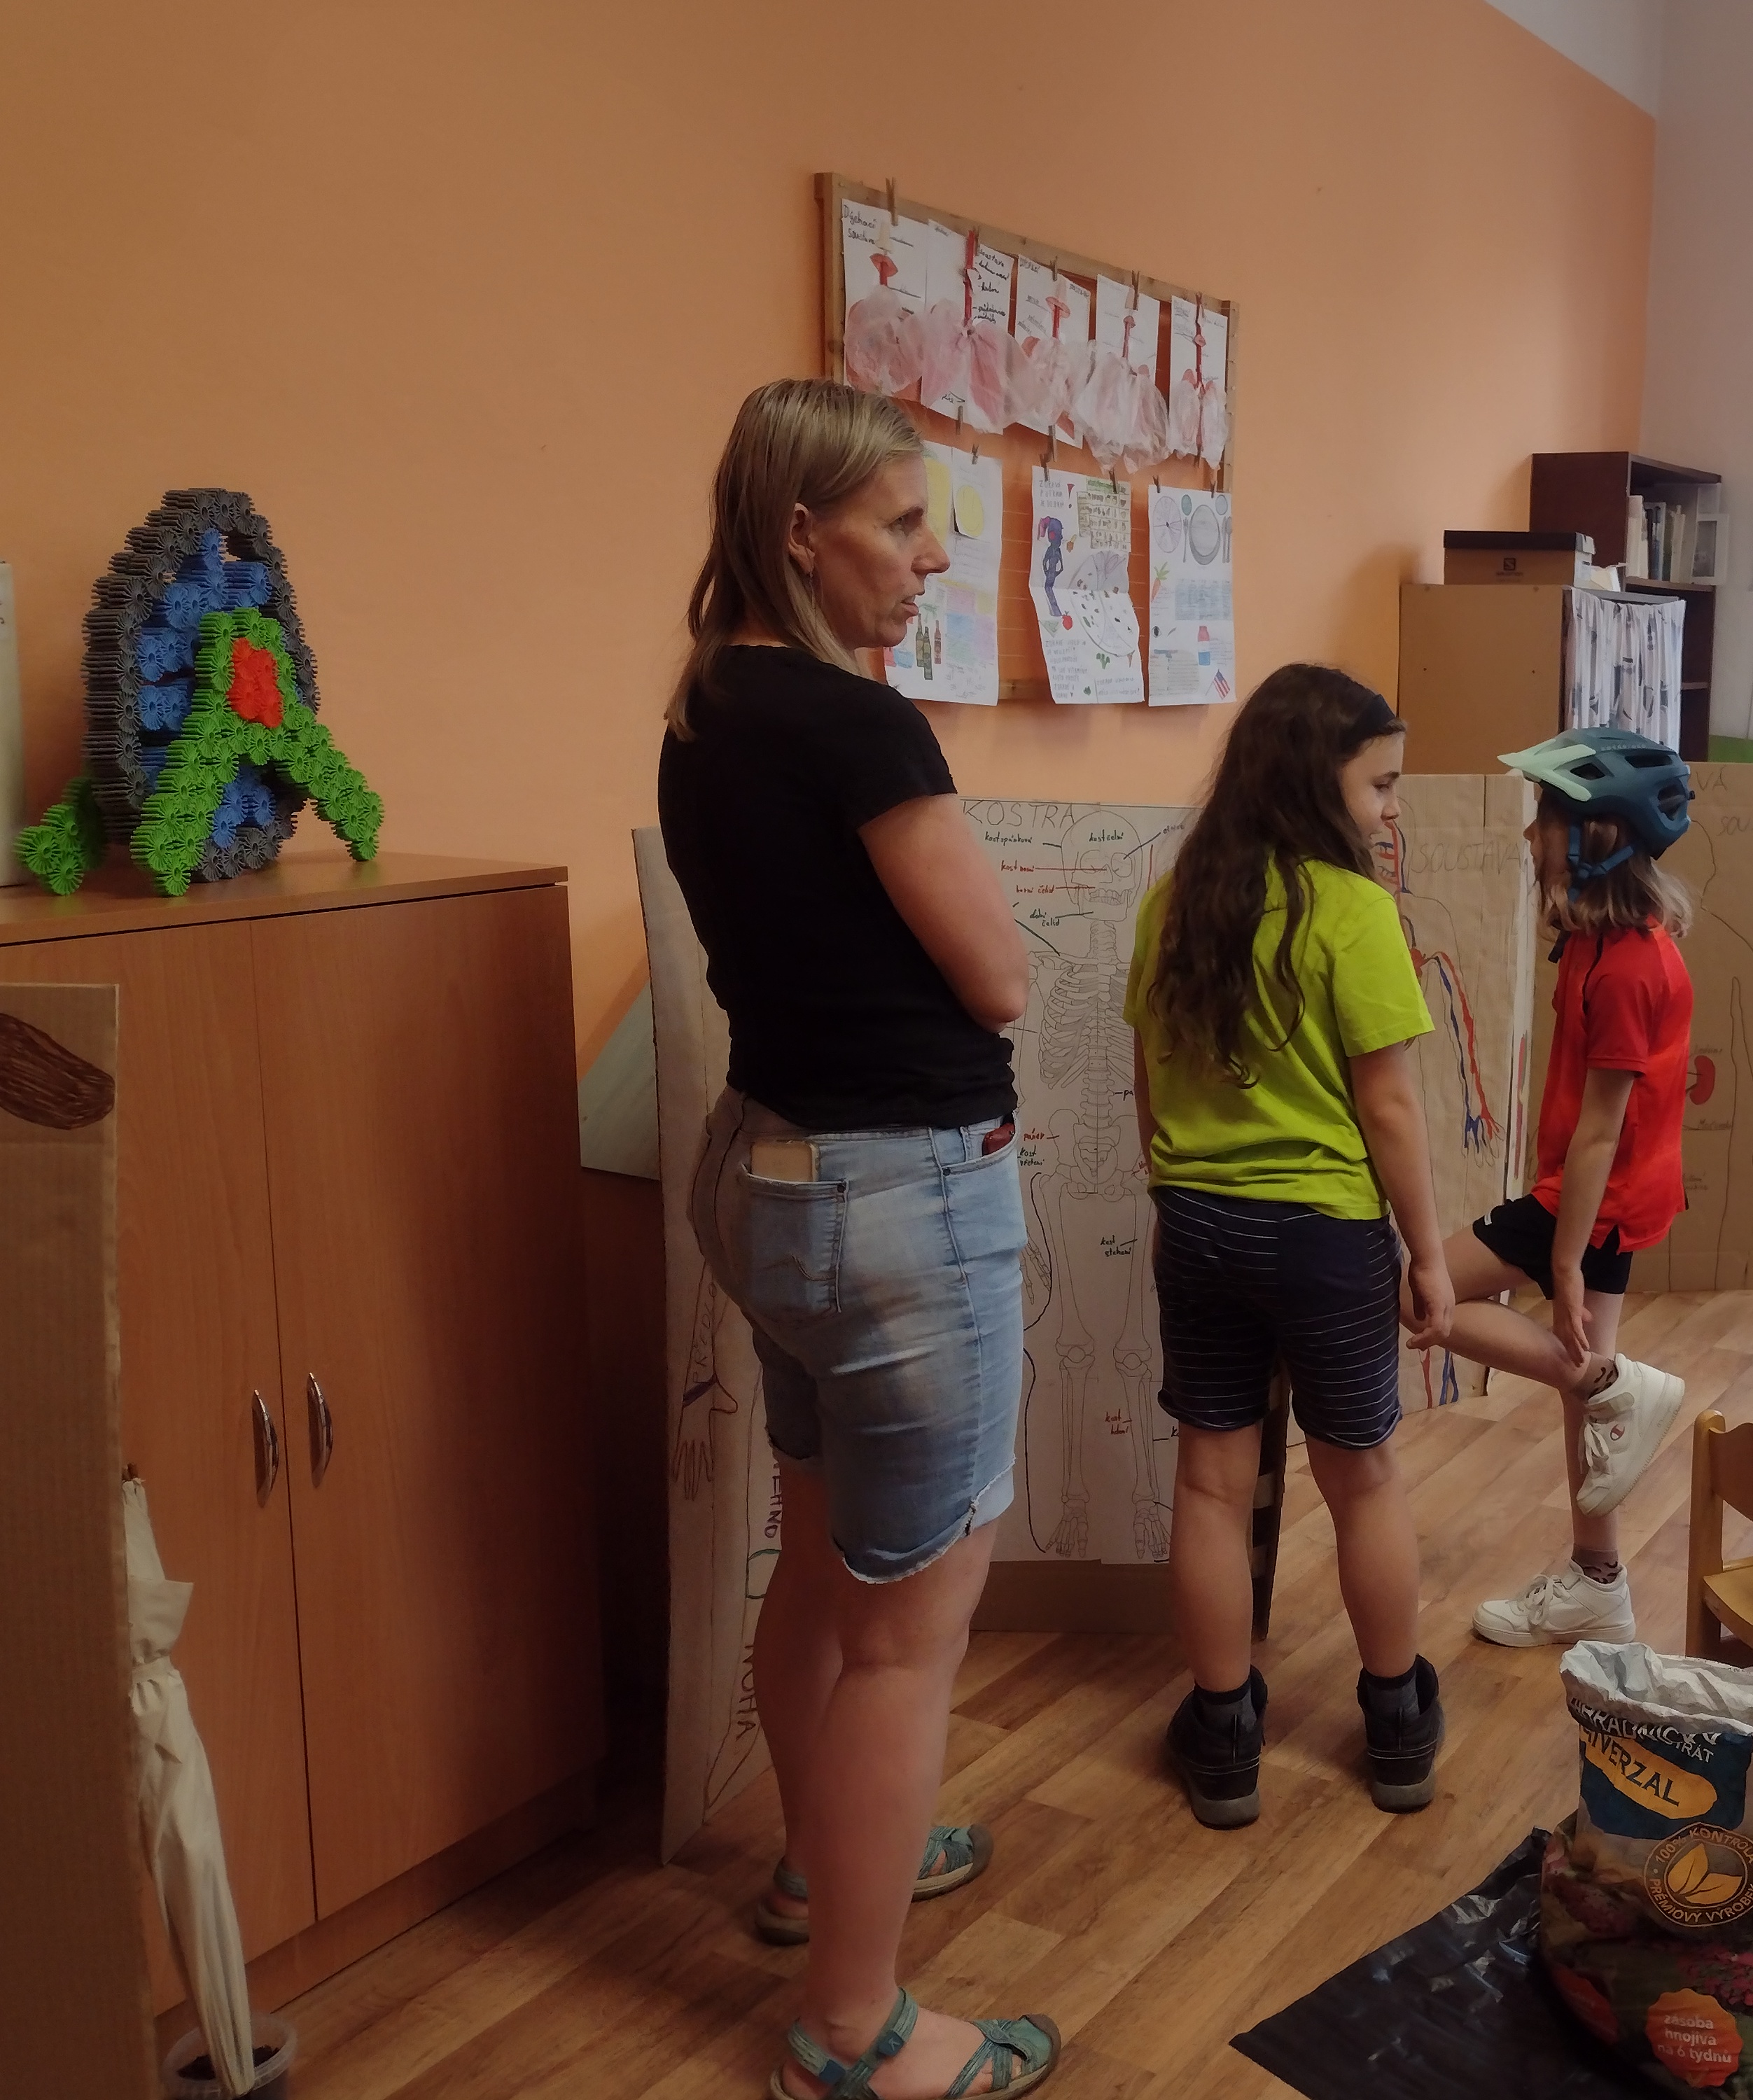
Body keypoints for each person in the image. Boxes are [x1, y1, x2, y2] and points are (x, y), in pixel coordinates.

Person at [659, 378, 1059, 2100]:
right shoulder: (856, 727)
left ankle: (817, 1866)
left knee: (823, 1566)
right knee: (907, 1633)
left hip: (770, 1176)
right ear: (800, 533)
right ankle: (854, 2030)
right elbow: (1000, 975)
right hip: (901, 1203)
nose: (928, 560)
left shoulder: (703, 709)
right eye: (901, 525)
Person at [1125, 664, 1455, 1829]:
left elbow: (1149, 1078)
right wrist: (1427, 1254)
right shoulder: (1351, 913)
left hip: (1199, 1221)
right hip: (1324, 1235)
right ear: (1315, 783)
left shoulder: (1175, 904)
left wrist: (1177, 1191)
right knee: (1360, 1475)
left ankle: (1223, 1735)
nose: (1392, 807)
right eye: (1381, 785)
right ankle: (1397, 1722)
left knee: (1211, 1482)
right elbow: (1391, 1109)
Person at [1448, 728, 1696, 1649]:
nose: (1530, 837)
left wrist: (1561, 1262)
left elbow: (1602, 1129)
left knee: (1417, 1291)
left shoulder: (1629, 966)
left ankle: (1613, 1384)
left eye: (1544, 818)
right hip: (1601, 1195)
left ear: (1599, 836)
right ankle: (1599, 1584)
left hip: (1593, 1200)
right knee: (1582, 1403)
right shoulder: (1600, 942)